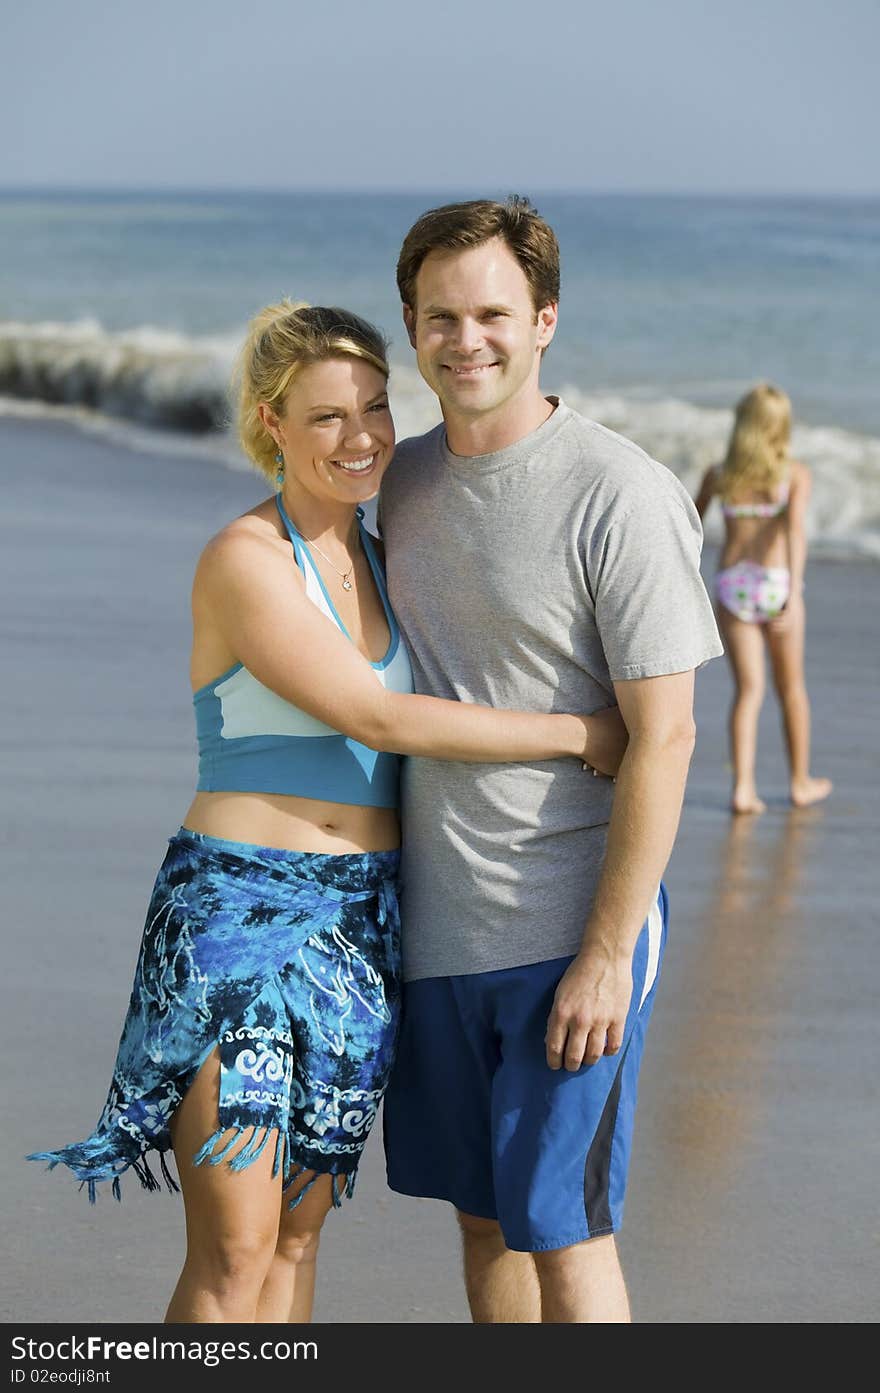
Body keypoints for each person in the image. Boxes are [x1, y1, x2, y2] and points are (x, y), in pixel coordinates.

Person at [28, 300, 629, 1324]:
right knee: (237, 1250)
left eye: (374, 409)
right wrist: (579, 733)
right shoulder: (245, 560)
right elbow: (375, 712)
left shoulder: (386, 554)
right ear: (271, 424)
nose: (361, 439)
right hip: (237, 922)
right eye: (326, 418)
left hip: (361, 923)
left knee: (299, 1241)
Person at [378, 197, 724, 1324]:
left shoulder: (618, 492)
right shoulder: (401, 483)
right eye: (440, 316)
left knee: (566, 1230)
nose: (464, 339)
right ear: (413, 326)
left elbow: (665, 735)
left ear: (544, 322)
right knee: (483, 1220)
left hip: (569, 927)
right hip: (439, 928)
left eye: (491, 313)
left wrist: (606, 954)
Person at [694, 383, 832, 814]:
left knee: (748, 691)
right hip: (776, 583)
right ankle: (799, 782)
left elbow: (688, 523)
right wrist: (793, 591)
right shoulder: (793, 475)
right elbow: (793, 531)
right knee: (791, 689)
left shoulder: (720, 475)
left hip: (733, 584)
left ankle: (744, 789)